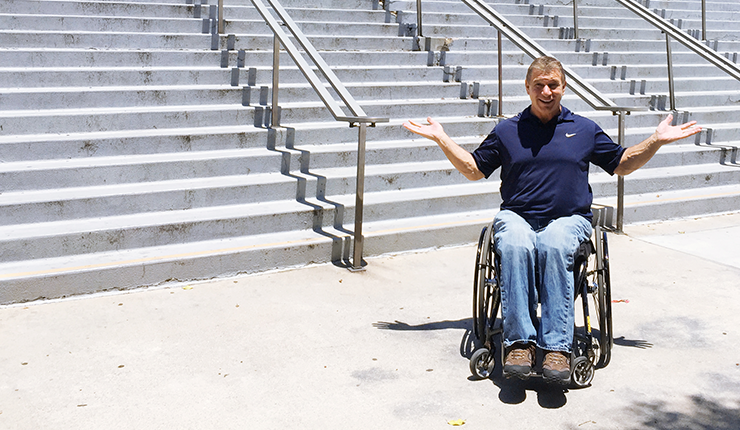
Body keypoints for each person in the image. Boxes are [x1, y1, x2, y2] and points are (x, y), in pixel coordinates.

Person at [403, 56, 701, 385]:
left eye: (553, 85)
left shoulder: (584, 129)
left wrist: (656, 140)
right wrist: (442, 138)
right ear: (528, 88)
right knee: (516, 243)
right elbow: (474, 169)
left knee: (554, 244)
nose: (547, 91)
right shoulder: (507, 130)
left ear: (564, 87)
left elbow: (622, 163)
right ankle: (519, 343)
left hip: (569, 219)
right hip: (518, 216)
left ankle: (557, 347)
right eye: (539, 85)